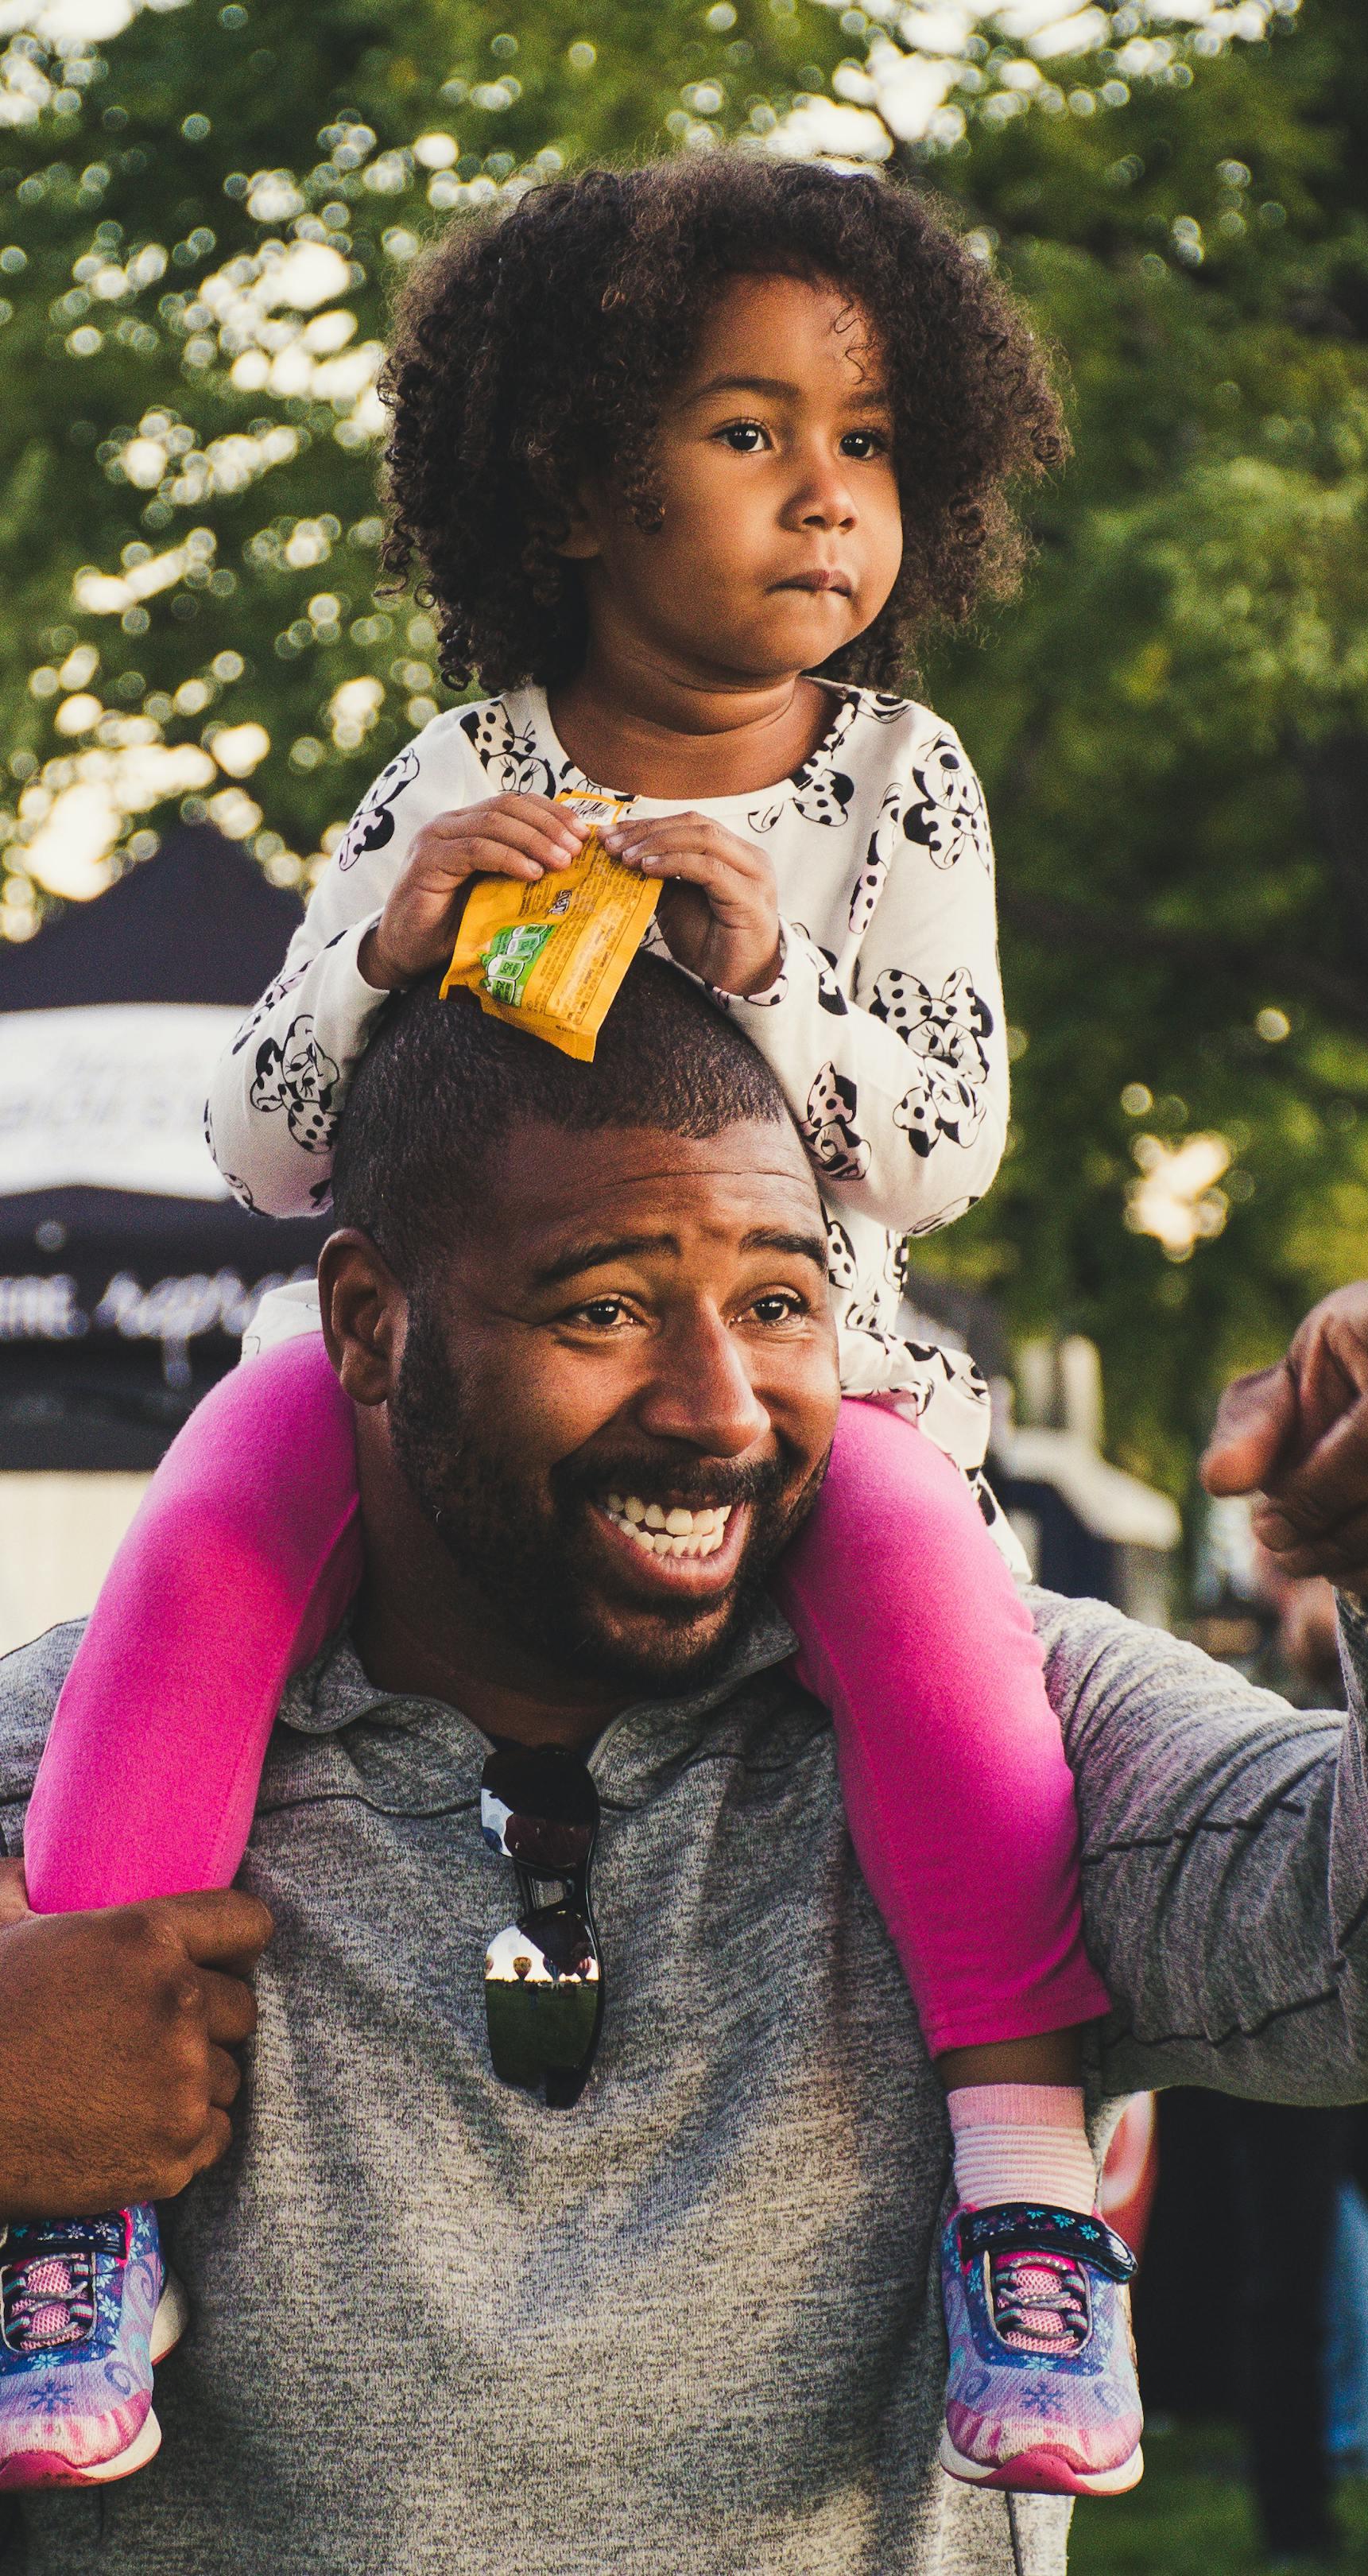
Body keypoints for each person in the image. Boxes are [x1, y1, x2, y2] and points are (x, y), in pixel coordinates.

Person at [0, 962, 1368, 2571]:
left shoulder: (1018, 1725)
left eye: (780, 1302)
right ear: (367, 1323)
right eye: (605, 1307)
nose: (724, 1410)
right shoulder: (70, 1762)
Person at [14, 153, 1129, 2495]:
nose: (831, 496)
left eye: (875, 444)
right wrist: (383, 941)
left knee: (946, 1599)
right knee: (195, 1554)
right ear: (578, 480)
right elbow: (263, 1144)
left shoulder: (902, 788)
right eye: (753, 433)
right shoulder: (457, 777)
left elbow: (941, 1144)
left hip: (803, 1380)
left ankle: (1028, 2206)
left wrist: (773, 972)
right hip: (430, 1370)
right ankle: (74, 2222)